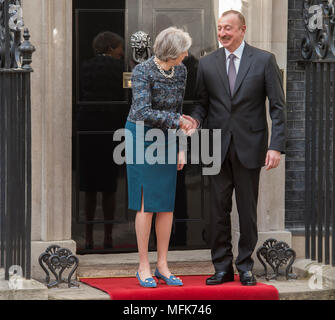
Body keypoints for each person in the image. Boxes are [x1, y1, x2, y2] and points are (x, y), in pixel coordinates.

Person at [190, 10, 286, 286]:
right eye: (220, 28)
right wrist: (194, 120)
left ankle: (245, 266)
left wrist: (276, 146)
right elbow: (201, 104)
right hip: (214, 146)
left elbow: (278, 107)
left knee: (247, 211)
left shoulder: (264, 60)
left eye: (228, 29)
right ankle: (222, 267)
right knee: (217, 211)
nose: (222, 33)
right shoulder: (207, 64)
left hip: (250, 146)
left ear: (242, 29)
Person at [125, 27, 197, 288]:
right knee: (146, 203)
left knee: (166, 203)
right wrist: (177, 120)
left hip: (167, 136)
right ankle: (143, 265)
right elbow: (143, 110)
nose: (187, 54)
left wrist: (180, 146)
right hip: (141, 135)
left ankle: (162, 264)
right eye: (183, 51)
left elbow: (177, 107)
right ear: (171, 53)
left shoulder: (182, 70)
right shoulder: (142, 70)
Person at [79, 31, 125, 250]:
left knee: (89, 187)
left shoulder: (83, 67)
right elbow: (128, 96)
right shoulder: (122, 69)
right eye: (119, 48)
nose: (122, 52)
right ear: (110, 48)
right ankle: (108, 236)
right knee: (109, 186)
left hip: (87, 128)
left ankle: (87, 236)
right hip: (112, 129)